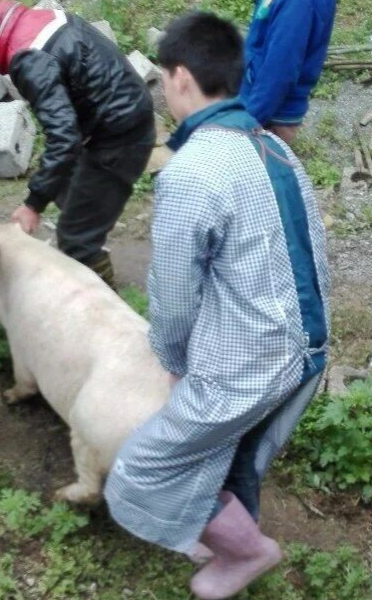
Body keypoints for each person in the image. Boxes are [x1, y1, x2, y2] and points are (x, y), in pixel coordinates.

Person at [104, 13, 330, 599]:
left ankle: (248, 552)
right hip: (308, 347)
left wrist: (174, 358)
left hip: (256, 360)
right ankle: (233, 544)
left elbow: (174, 294)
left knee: (143, 470)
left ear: (179, 78)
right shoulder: (275, 150)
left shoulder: (193, 170)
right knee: (236, 459)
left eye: (161, 80)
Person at [0, 0, 155, 289]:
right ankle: (92, 239)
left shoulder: (29, 58)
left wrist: (33, 205)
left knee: (75, 238)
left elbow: (63, 137)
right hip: (117, 115)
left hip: (120, 135)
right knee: (67, 190)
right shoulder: (40, 19)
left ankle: (102, 314)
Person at [239, 0, 337, 145]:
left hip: (267, 113)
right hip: (260, 100)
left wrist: (249, 122)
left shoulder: (297, 5)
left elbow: (279, 71)